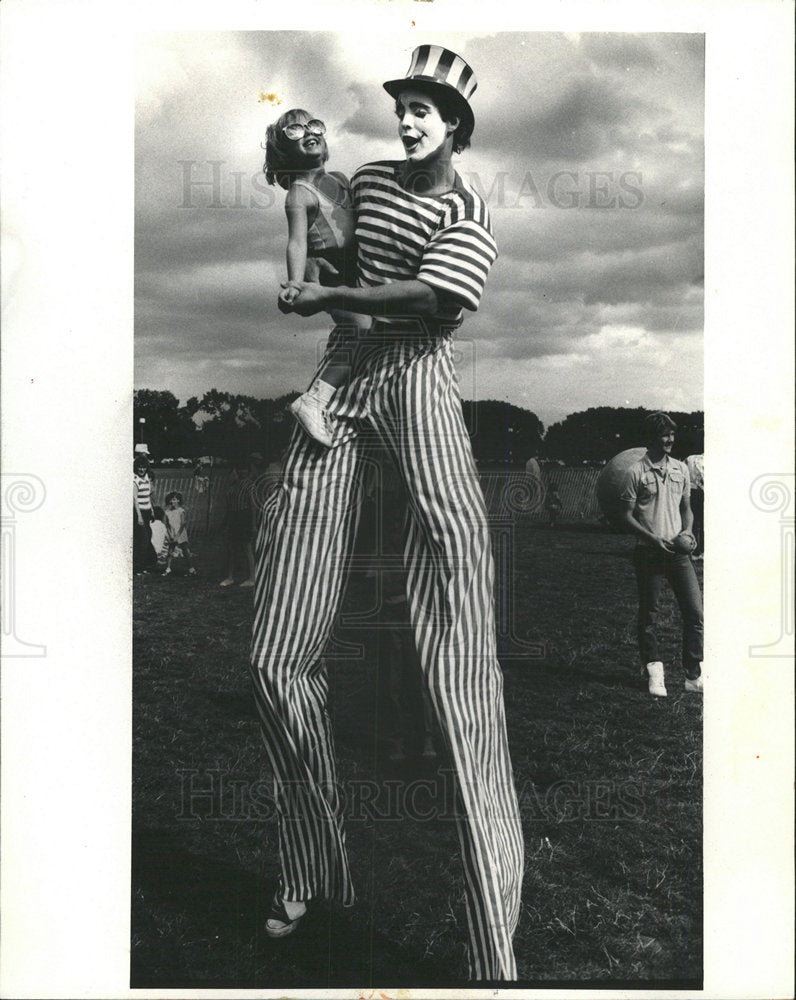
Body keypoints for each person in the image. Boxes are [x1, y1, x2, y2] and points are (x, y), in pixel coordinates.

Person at [250, 46, 523, 981]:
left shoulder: (468, 210)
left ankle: (496, 946)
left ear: (457, 125)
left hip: (418, 383)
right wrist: (309, 243)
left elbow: (433, 298)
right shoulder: (363, 179)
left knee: (462, 655)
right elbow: (339, 261)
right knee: (274, 656)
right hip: (344, 379)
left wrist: (331, 290)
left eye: (427, 109)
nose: (408, 119)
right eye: (403, 104)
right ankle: (312, 869)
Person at [263, 110, 371, 447]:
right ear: (284, 151)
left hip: (354, 271)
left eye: (314, 126)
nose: (308, 132)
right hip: (328, 277)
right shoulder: (299, 193)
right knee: (365, 329)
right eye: (295, 131)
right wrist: (296, 283)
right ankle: (314, 400)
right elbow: (296, 241)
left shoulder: (338, 178)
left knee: (368, 331)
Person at [619, 412, 704, 697]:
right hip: (648, 554)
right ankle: (655, 675)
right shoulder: (635, 472)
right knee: (650, 616)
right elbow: (626, 517)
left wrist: (689, 532)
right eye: (664, 435)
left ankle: (693, 676)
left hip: (679, 555)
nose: (669, 440)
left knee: (695, 613)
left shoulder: (681, 469)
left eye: (672, 435)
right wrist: (653, 539)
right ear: (651, 438)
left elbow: (687, 509)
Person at [219, 459, 255, 588]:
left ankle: (252, 577)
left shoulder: (250, 485)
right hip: (233, 517)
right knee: (231, 548)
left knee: (247, 548)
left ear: (249, 471)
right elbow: (228, 506)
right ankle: (230, 577)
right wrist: (225, 522)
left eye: (244, 469)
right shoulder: (232, 486)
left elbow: (252, 507)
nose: (241, 471)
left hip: (244, 517)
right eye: (239, 469)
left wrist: (254, 524)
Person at [163, 491, 197, 576]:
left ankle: (191, 569)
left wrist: (178, 535)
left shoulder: (181, 511)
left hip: (180, 533)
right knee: (170, 551)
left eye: (174, 499)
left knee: (185, 550)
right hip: (172, 533)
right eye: (171, 500)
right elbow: (166, 524)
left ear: (178, 500)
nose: (172, 501)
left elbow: (183, 524)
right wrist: (170, 535)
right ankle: (168, 568)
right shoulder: (167, 512)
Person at [133, 456, 156, 574]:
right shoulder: (135, 480)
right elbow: (135, 500)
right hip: (140, 512)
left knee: (147, 538)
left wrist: (151, 510)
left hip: (147, 511)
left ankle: (144, 565)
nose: (141, 469)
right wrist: (139, 516)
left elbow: (148, 497)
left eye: (143, 467)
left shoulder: (147, 478)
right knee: (141, 540)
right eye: (139, 467)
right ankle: (138, 567)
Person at [685, 452, 704, 558]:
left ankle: (697, 550)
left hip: (695, 491)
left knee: (697, 521)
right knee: (697, 521)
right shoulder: (691, 458)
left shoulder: (689, 458)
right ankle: (696, 550)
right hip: (696, 492)